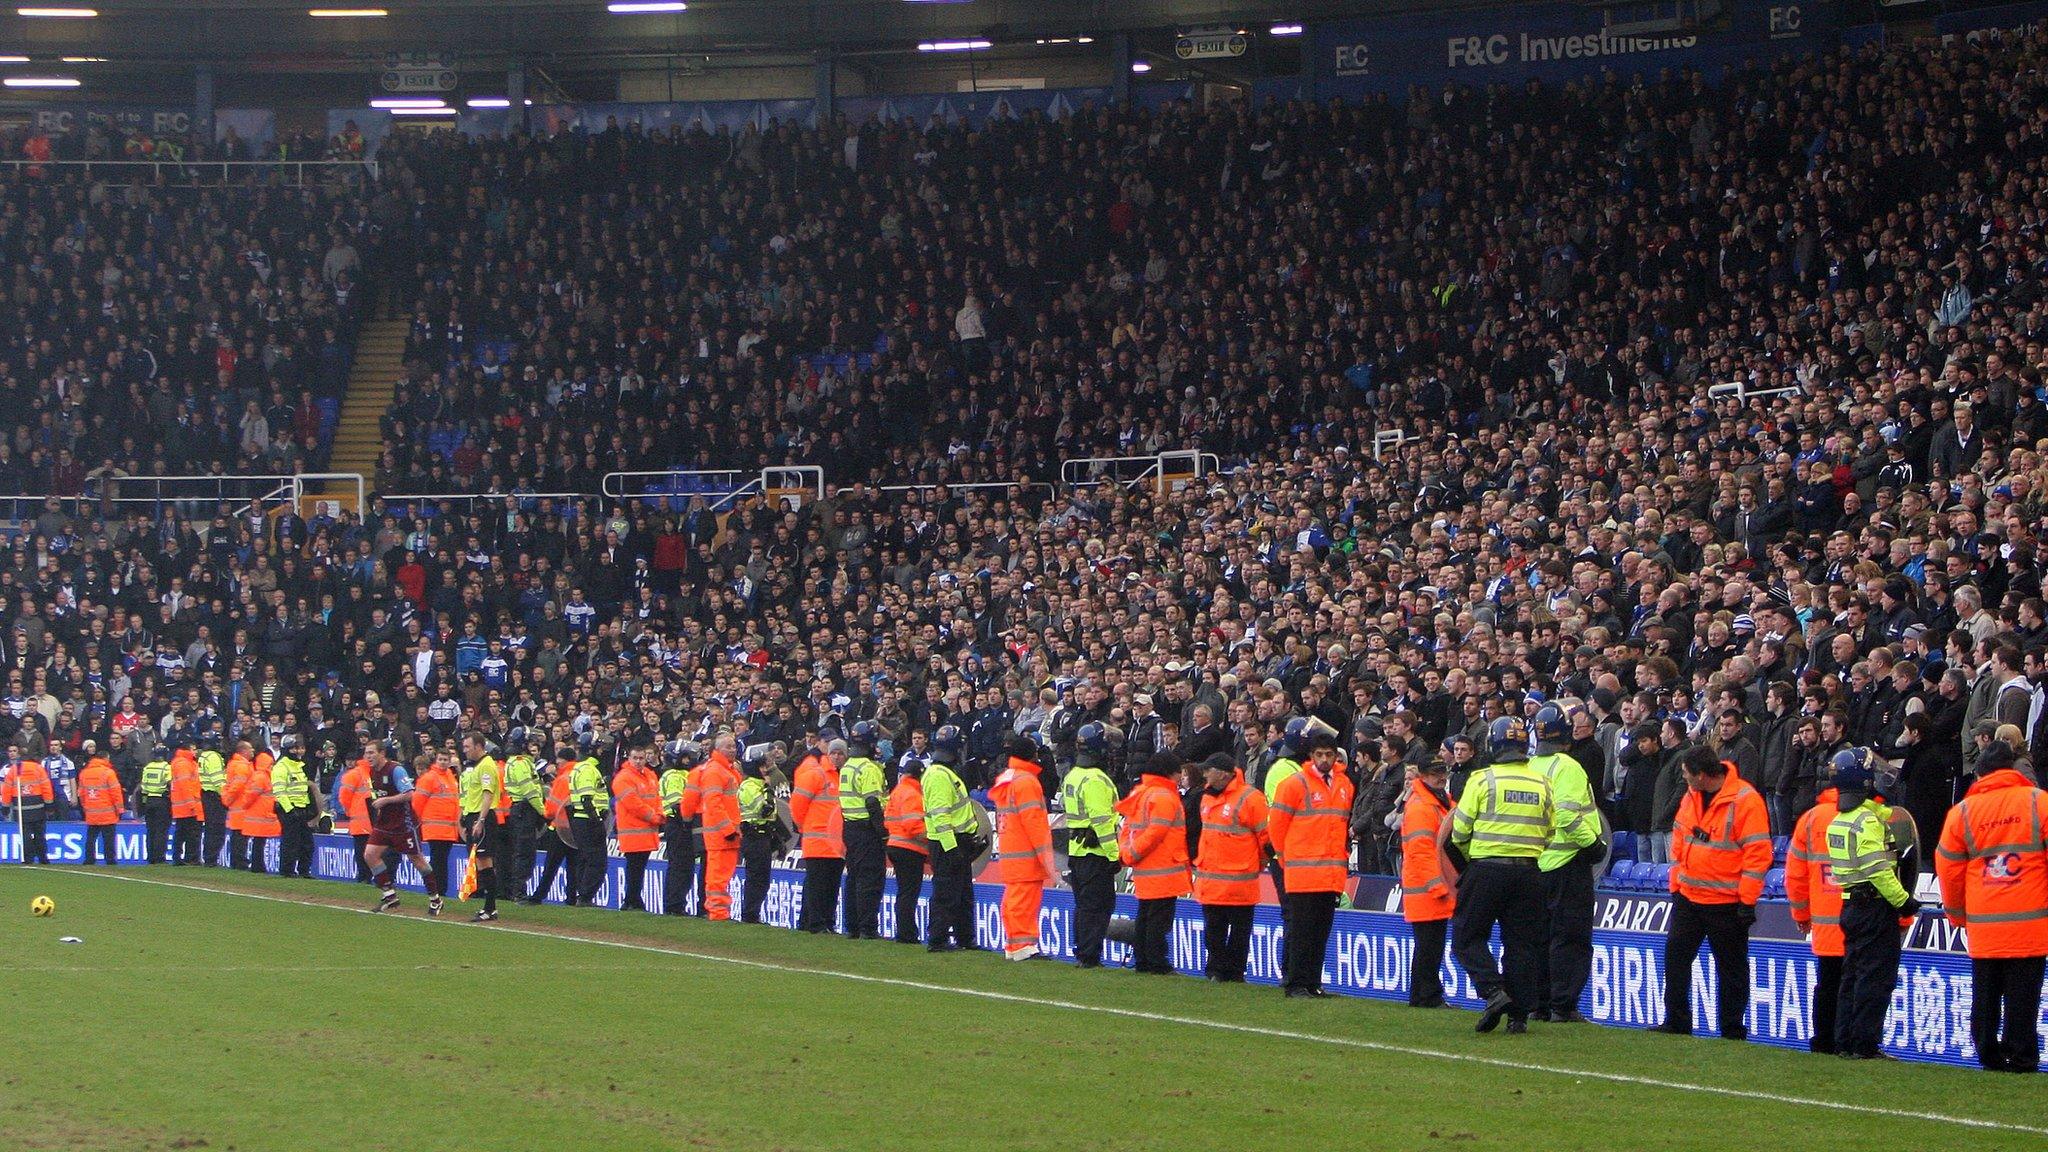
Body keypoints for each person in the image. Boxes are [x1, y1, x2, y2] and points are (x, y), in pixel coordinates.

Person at [1936, 738, 2048, 1073]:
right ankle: (2022, 1055)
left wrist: (1957, 913)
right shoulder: (2038, 803)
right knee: (2023, 997)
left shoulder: (1964, 813)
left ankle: (1987, 1052)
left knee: (1985, 994)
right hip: (2030, 920)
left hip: (1984, 923)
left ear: (1981, 773)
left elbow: (1948, 867)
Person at [1445, 716, 1555, 1032]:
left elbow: (1460, 829)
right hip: (1530, 873)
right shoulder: (1542, 782)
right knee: (1522, 945)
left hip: (1487, 870)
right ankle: (1518, 1018)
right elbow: (1550, 831)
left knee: (1467, 937)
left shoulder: (1483, 780)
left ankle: (1493, 992)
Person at [1655, 747, 1771, 1040]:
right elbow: (1680, 840)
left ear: (1702, 776)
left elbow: (1757, 855)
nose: (1683, 778)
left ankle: (1732, 1028)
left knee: (1731, 969)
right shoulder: (1692, 796)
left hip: (1727, 903)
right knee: (1676, 959)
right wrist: (1677, 886)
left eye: (1686, 773)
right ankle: (1676, 1020)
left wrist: (1746, 900)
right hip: (1689, 898)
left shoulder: (1746, 800)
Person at [1825, 747, 1918, 1060]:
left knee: (1851, 976)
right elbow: (1878, 869)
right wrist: (1904, 901)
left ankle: (1845, 1040)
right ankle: (1865, 1044)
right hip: (1874, 906)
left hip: (1851, 905)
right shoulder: (1867, 821)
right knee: (1875, 979)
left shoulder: (1840, 819)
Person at [1530, 703, 1603, 1022]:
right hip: (1568, 861)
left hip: (1536, 863)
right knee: (1570, 938)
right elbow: (1567, 814)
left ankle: (1538, 1003)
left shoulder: (1530, 766)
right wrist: (1593, 844)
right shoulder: (1568, 767)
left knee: (1538, 938)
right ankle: (1563, 1004)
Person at [1270, 729, 1355, 999]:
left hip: (1330, 872)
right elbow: (1277, 826)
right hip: (1303, 871)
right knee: (1301, 931)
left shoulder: (1344, 785)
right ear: (1310, 756)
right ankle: (1295, 983)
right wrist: (1285, 856)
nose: (1324, 760)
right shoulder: (1295, 784)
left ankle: (1313, 982)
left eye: (1329, 755)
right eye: (1319, 755)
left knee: (1320, 932)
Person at [1786, 749, 1854, 1053]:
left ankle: (1823, 1039)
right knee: (1855, 985)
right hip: (1861, 920)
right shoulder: (1871, 817)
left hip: (1825, 925)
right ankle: (1850, 1041)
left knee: (1827, 983)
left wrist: (1801, 914)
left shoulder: (1812, 819)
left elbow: (1795, 874)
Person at [1194, 751, 1268, 983]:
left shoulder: (1251, 798)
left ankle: (1234, 973)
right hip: (1212, 881)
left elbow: (1266, 839)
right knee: (1213, 931)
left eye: (1209, 770)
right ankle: (1215, 970)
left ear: (1224, 774)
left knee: (1239, 932)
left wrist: (1255, 865)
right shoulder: (1206, 798)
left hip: (1239, 882)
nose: (1204, 774)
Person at [1119, 750, 1192, 974]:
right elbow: (1156, 833)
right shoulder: (1165, 797)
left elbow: (1127, 828)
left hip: (1145, 868)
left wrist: (1127, 853)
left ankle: (1143, 960)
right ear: (1171, 773)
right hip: (1163, 867)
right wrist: (1133, 853)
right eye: (1179, 771)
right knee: (1158, 920)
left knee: (1145, 916)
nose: (1181, 776)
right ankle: (1156, 962)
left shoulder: (1140, 792)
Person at [990, 734, 1057, 960]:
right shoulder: (1027, 781)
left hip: (1010, 849)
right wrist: (1045, 855)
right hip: (1026, 851)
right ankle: (1023, 946)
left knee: (1013, 899)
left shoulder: (1006, 779)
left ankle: (1014, 944)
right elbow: (1035, 822)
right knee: (1024, 901)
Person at [1061, 723, 1122, 967]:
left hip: (1077, 850)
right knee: (1097, 906)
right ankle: (1089, 955)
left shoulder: (1074, 774)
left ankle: (1083, 950)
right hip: (1095, 853)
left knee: (1085, 905)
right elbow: (1102, 822)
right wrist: (1113, 855)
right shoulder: (1096, 779)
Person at [1400, 756, 1456, 1008]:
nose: (1440, 777)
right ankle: (1427, 995)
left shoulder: (1438, 802)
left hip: (1431, 886)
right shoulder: (1422, 806)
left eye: (1442, 772)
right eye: (1435, 773)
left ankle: (1424, 995)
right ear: (1422, 775)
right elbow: (1420, 851)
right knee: (1428, 946)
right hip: (1427, 889)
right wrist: (1437, 885)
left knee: (1429, 946)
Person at [362, 741, 440, 914]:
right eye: (366, 753)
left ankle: (435, 898)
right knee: (370, 854)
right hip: (384, 823)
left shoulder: (395, 770)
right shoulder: (372, 771)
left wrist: (386, 800)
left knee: (417, 860)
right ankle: (390, 895)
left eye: (371, 753)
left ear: (382, 753)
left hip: (403, 824)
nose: (368, 756)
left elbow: (409, 794)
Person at [921, 737, 981, 951]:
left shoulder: (944, 773)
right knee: (946, 893)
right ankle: (938, 939)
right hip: (948, 843)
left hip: (957, 841)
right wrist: (952, 848)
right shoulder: (939, 776)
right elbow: (940, 816)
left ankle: (965, 938)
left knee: (963, 893)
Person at [837, 723, 889, 940]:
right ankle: (868, 928)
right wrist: (882, 831)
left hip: (850, 827)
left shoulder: (848, 766)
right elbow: (872, 802)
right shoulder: (868, 768)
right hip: (867, 830)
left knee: (854, 878)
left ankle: (852, 926)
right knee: (870, 880)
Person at [685, 733, 742, 921]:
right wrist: (728, 830)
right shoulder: (715, 771)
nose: (732, 749)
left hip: (727, 833)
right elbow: (713, 803)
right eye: (728, 746)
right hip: (721, 834)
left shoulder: (727, 770)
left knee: (722, 876)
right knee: (717, 876)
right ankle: (717, 913)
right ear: (716, 750)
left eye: (733, 746)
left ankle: (720, 912)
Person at [790, 737, 845, 933]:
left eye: (841, 754)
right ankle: (816, 923)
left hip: (836, 845)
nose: (837, 757)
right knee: (817, 886)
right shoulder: (815, 775)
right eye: (834, 753)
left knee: (831, 887)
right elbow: (796, 806)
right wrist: (804, 827)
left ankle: (825, 922)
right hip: (817, 841)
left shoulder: (842, 778)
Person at [884, 739, 930, 943]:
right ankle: (906, 933)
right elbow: (914, 826)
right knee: (909, 893)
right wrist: (932, 841)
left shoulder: (898, 791)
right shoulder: (913, 794)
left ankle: (904, 931)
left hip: (895, 844)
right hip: (909, 848)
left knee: (904, 891)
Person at [611, 741, 662, 912]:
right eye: (635, 758)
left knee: (638, 868)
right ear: (629, 758)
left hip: (647, 831)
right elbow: (633, 804)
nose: (639, 761)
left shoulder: (650, 775)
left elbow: (656, 798)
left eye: (641, 758)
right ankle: (631, 900)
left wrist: (659, 814)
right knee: (634, 868)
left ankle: (633, 899)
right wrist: (654, 817)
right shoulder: (623, 778)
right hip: (633, 831)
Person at [460, 734, 508, 921]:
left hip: (483, 816)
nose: (465, 750)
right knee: (481, 862)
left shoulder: (487, 765)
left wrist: (480, 820)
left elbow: (488, 794)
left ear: (478, 746)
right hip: (475, 815)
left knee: (485, 862)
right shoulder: (480, 766)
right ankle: (489, 907)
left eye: (467, 746)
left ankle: (490, 908)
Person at [412, 754, 460, 916]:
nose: (444, 762)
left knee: (442, 861)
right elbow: (417, 802)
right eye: (441, 759)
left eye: (446, 759)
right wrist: (416, 820)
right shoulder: (429, 778)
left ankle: (440, 892)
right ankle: (437, 891)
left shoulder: (451, 779)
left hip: (448, 829)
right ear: (436, 761)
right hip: (434, 828)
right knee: (438, 860)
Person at [502, 732, 547, 904]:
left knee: (524, 852)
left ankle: (517, 891)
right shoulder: (520, 763)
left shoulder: (517, 762)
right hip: (524, 810)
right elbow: (529, 791)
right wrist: (543, 811)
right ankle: (518, 892)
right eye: (529, 743)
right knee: (524, 853)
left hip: (521, 810)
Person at [737, 753, 781, 924]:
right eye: (761, 767)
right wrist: (768, 790)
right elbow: (765, 810)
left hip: (762, 836)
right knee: (757, 878)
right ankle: (750, 914)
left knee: (761, 878)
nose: (764, 770)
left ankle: (752, 913)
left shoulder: (757, 785)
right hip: (754, 836)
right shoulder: (750, 786)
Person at [564, 746, 609, 907]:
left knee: (585, 859)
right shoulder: (588, 769)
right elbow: (586, 799)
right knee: (597, 861)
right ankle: (585, 897)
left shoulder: (580, 767)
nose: (602, 750)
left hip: (580, 819)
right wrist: (596, 819)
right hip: (587, 820)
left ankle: (582, 895)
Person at [271, 738, 317, 878]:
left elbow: (303, 789)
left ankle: (304, 870)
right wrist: (289, 809)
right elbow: (279, 791)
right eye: (293, 748)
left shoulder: (298, 766)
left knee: (307, 843)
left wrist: (309, 807)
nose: (296, 751)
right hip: (288, 809)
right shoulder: (281, 766)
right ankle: (287, 870)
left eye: (298, 748)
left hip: (301, 808)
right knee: (290, 842)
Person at [2, 749, 53, 865]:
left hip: (21, 808)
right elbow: (46, 787)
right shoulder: (38, 768)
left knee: (25, 835)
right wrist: (49, 805)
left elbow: (6, 790)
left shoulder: (14, 769)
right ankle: (43, 858)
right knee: (40, 834)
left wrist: (5, 807)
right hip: (38, 807)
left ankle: (28, 858)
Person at [239, 744, 280, 873]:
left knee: (259, 842)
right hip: (259, 815)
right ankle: (258, 866)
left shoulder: (262, 776)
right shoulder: (261, 777)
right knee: (259, 842)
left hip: (261, 814)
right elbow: (250, 795)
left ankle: (258, 866)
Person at [76, 752, 122, 865]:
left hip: (91, 811)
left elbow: (81, 793)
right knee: (108, 838)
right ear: (106, 758)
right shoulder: (108, 773)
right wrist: (119, 809)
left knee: (91, 838)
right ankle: (110, 860)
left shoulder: (84, 773)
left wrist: (85, 807)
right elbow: (115, 793)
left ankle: (89, 859)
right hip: (108, 811)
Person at [335, 755, 373, 882]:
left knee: (363, 850)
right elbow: (344, 797)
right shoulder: (357, 774)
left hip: (363, 820)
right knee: (365, 850)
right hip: (365, 820)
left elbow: (344, 798)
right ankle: (365, 877)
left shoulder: (357, 774)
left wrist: (349, 810)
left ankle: (364, 877)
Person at [137, 748, 173, 864]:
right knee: (161, 830)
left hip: (148, 800)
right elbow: (170, 783)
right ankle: (159, 857)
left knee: (151, 830)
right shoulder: (166, 767)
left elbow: (143, 786)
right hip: (161, 800)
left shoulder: (148, 767)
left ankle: (151, 856)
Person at [169, 746, 203, 865]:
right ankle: (190, 858)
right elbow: (185, 785)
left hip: (182, 805)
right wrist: (191, 803)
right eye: (193, 749)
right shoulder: (184, 764)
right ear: (188, 750)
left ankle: (179, 858)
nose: (195, 752)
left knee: (182, 833)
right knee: (191, 834)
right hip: (187, 806)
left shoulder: (182, 762)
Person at [196, 743, 228, 868]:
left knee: (210, 828)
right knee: (217, 828)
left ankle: (209, 857)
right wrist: (225, 797)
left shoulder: (204, 756)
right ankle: (211, 859)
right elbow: (218, 781)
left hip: (206, 794)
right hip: (214, 796)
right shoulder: (214, 756)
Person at [222, 743, 253, 870]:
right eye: (250, 749)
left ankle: (237, 861)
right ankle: (240, 862)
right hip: (241, 805)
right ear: (244, 751)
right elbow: (237, 786)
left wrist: (227, 800)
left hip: (236, 806)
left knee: (237, 835)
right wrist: (228, 799)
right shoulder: (242, 766)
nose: (253, 751)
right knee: (240, 836)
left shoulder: (234, 764)